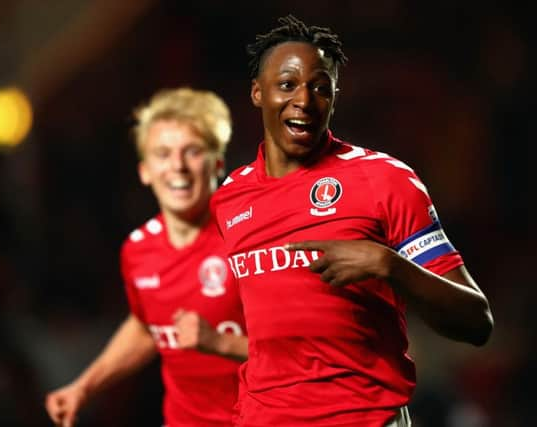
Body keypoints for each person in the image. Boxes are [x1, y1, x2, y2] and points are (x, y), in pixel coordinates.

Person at [210, 15, 493, 427]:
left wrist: (388, 265)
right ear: (257, 93)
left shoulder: (384, 180)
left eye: (320, 87)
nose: (304, 101)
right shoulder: (229, 200)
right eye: (287, 85)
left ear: (335, 96)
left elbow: (476, 322)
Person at [45, 87, 248, 427]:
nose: (177, 166)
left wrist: (219, 342)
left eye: (192, 151)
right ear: (145, 171)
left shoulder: (248, 235)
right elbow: (145, 326)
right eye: (163, 154)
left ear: (218, 163)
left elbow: (297, 347)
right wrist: (84, 386)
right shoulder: (138, 250)